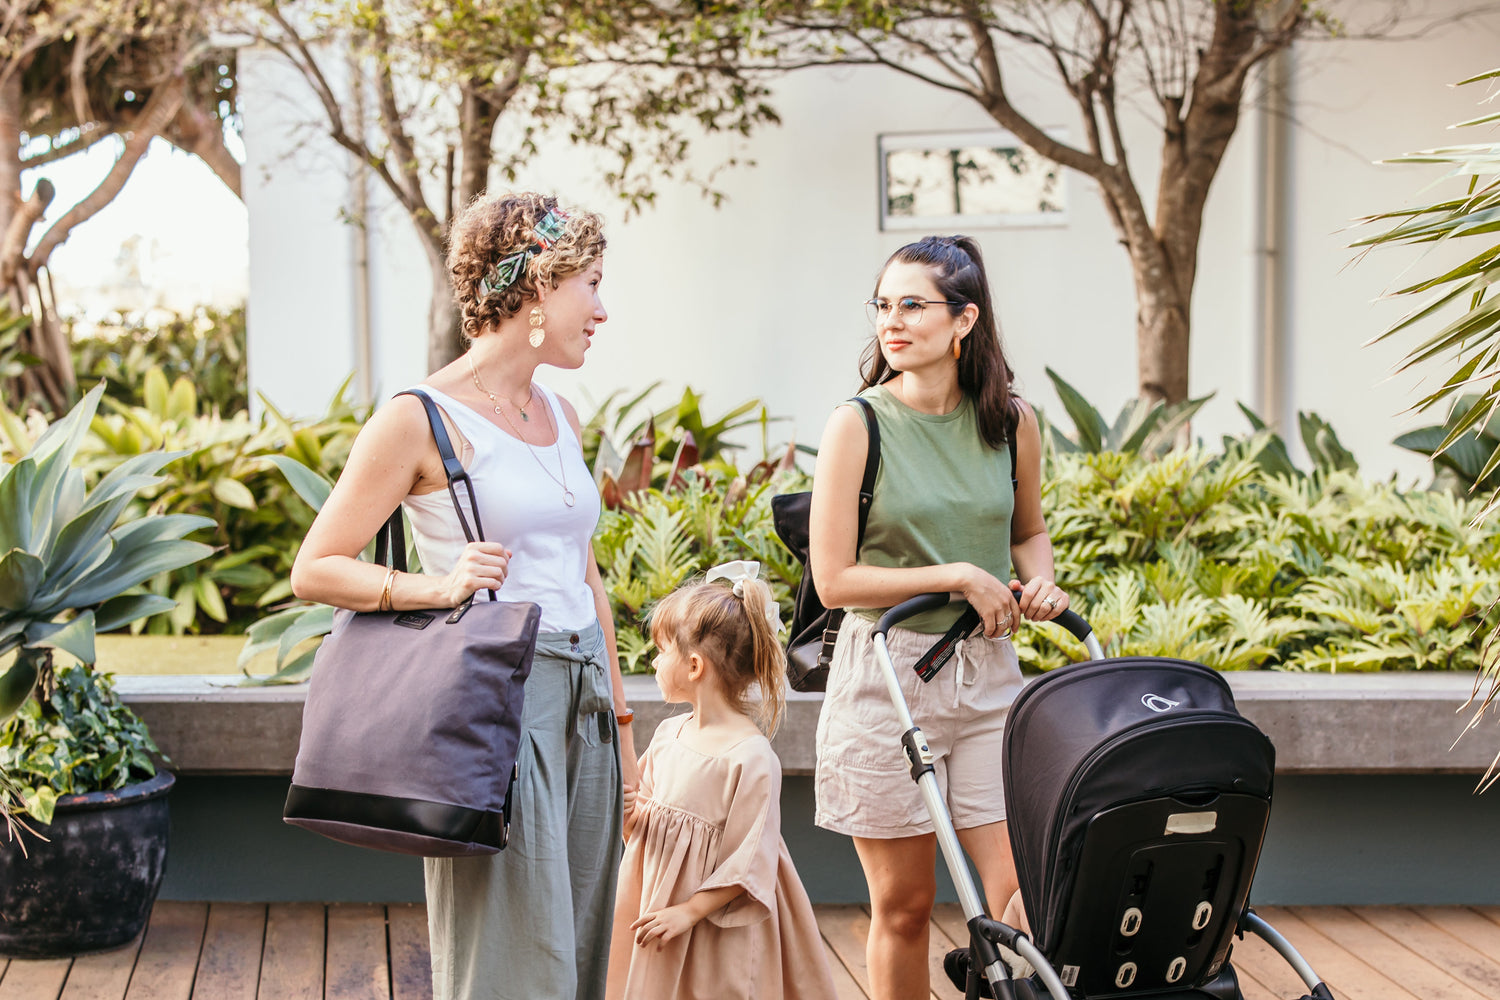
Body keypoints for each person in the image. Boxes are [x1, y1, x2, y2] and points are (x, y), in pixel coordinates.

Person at [290, 191, 637, 1000]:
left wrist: (623, 724)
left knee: (586, 943)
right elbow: (317, 567)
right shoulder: (419, 419)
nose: (602, 309)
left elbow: (585, 575)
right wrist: (436, 586)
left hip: (586, 697)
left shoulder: (561, 411)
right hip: (501, 697)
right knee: (508, 955)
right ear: (538, 290)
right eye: (590, 283)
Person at [807, 235, 1070, 999]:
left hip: (989, 679)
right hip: (886, 679)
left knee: (1017, 896)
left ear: (964, 321)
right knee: (904, 905)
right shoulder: (858, 424)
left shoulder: (1010, 422)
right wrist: (959, 575)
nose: (893, 321)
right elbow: (834, 580)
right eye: (883, 305)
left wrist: (1041, 584)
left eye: (912, 305)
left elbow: (1027, 533)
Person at [606, 561, 838, 1000]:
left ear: (694, 666)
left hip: (717, 922)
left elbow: (750, 860)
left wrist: (688, 912)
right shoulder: (668, 735)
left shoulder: (750, 758)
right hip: (658, 908)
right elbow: (642, 832)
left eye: (661, 651)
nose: (654, 662)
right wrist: (626, 814)